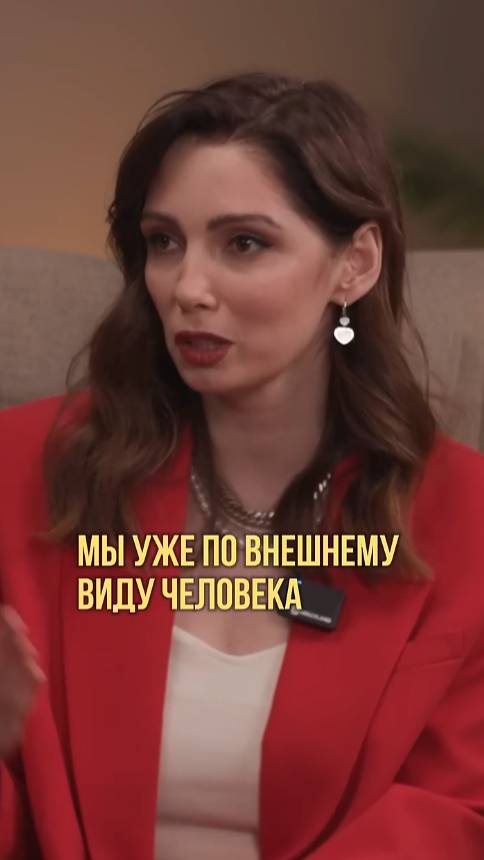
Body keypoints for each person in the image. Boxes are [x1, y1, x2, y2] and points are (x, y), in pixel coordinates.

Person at [0, 70, 483, 860]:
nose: (188, 287)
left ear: (355, 264)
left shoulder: (465, 513)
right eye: (164, 242)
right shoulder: (23, 468)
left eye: (244, 243)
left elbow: (457, 812)